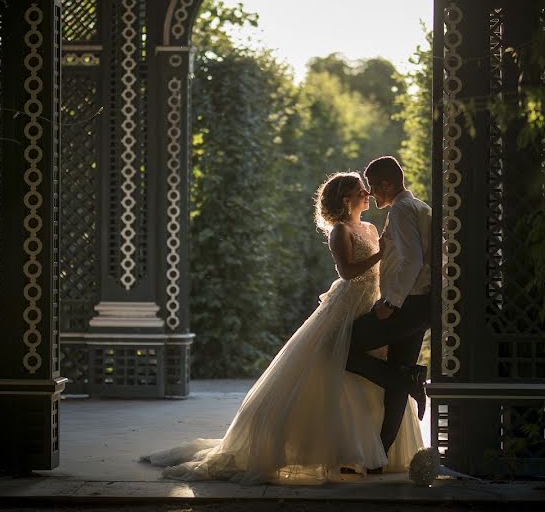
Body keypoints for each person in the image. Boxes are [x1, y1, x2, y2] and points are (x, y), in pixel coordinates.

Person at [140, 172, 423, 485]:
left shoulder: (371, 227)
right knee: (335, 365)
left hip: (371, 303)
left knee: (365, 370)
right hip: (347, 305)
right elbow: (347, 272)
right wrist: (381, 253)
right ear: (346, 199)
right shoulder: (340, 231)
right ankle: (345, 451)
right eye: (360, 190)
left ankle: (370, 450)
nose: (367, 193)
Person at [345, 156, 432, 469]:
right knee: (397, 371)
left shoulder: (400, 210)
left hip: (407, 306)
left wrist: (391, 302)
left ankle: (409, 380)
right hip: (422, 306)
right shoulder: (421, 207)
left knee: (343, 348)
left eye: (372, 188)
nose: (370, 194)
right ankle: (378, 458)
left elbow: (413, 260)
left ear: (386, 184)